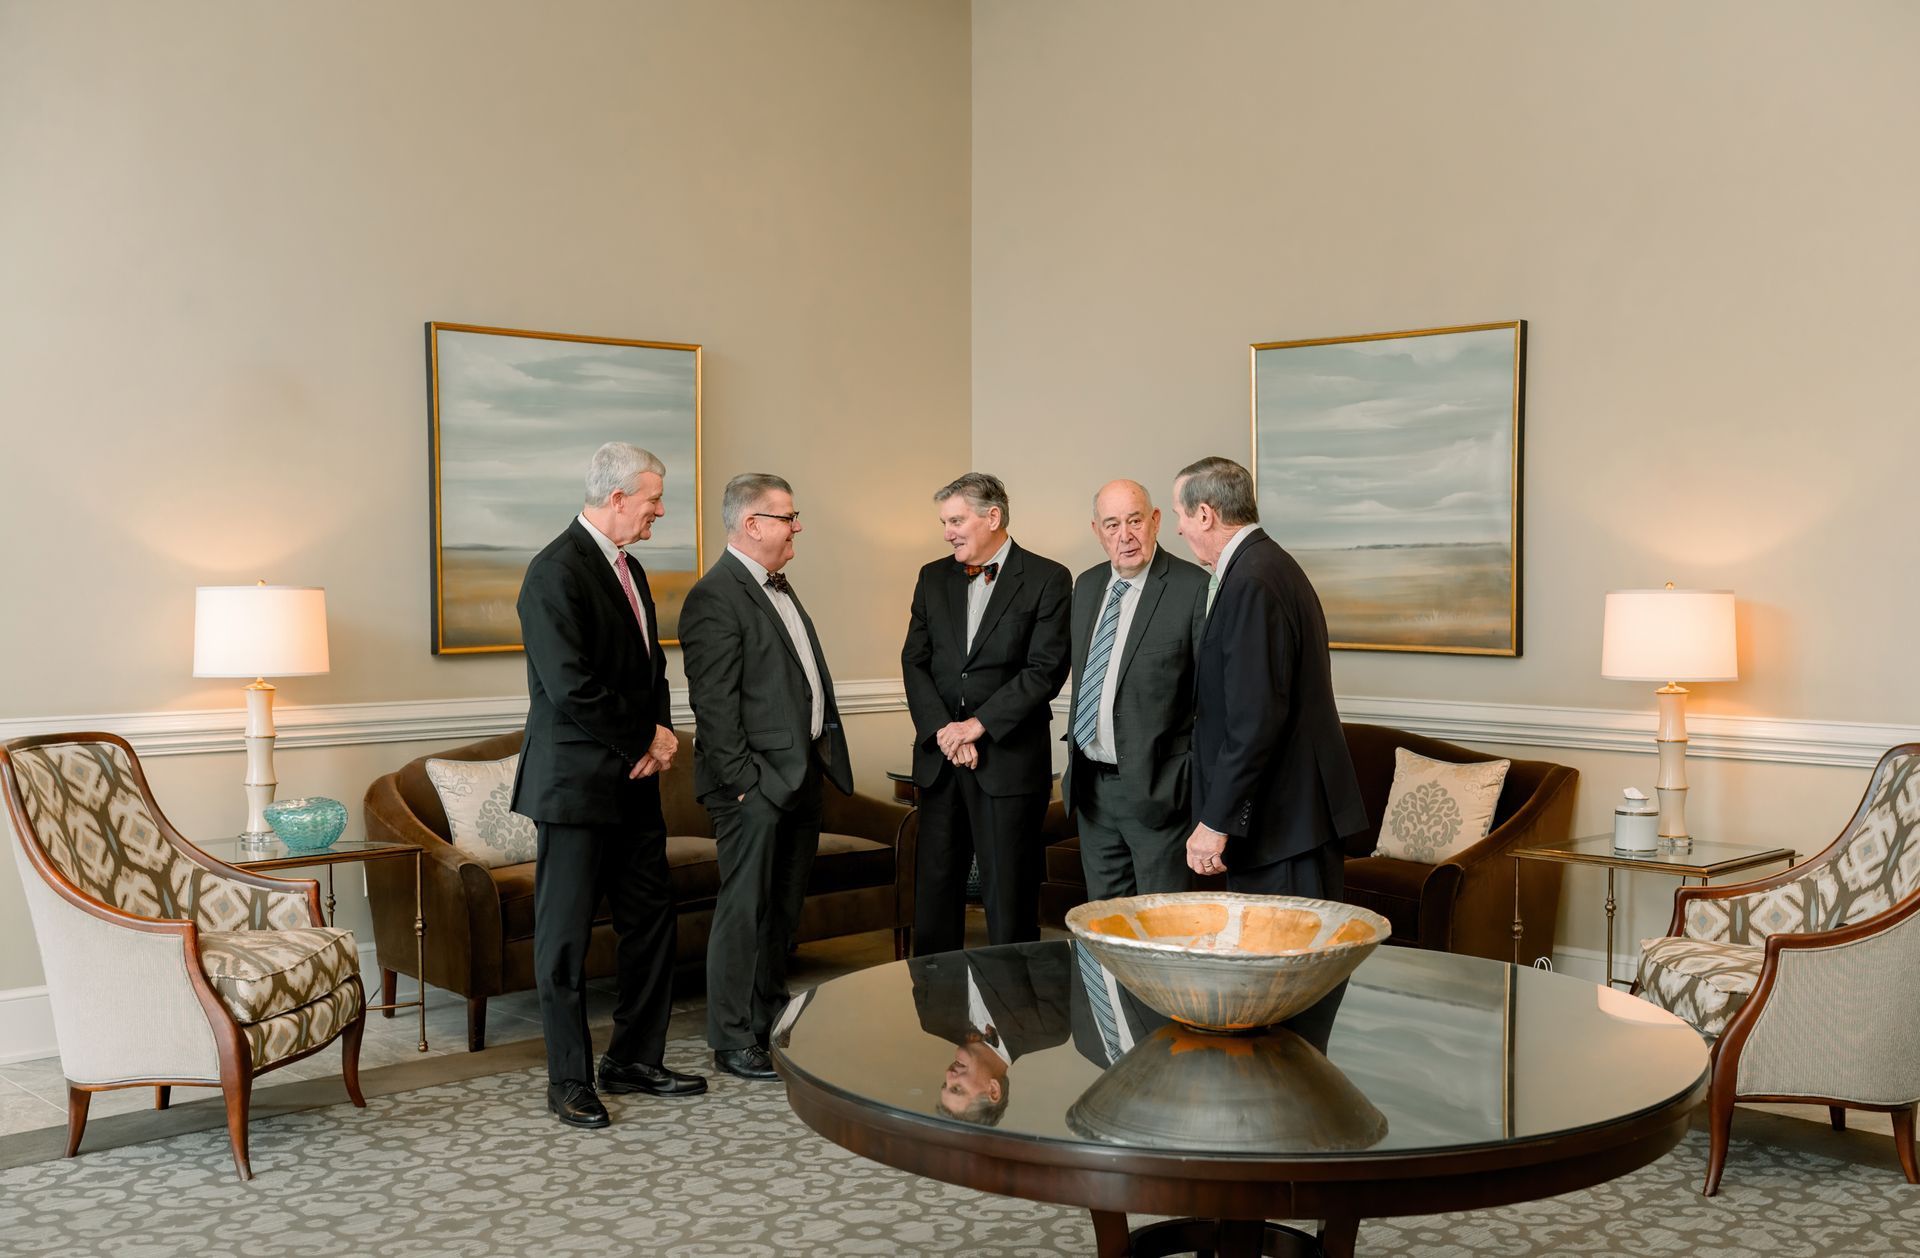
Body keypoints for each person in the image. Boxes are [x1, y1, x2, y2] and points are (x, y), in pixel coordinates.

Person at [511, 441, 706, 1130]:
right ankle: (569, 1079)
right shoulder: (552, 572)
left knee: (651, 924)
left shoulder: (632, 568)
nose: (660, 511)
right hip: (574, 788)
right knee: (562, 941)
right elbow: (570, 686)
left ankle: (634, 1059)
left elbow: (649, 667)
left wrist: (658, 732)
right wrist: (644, 737)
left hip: (635, 782)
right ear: (618, 497)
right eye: (654, 498)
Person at [680, 473, 853, 1083]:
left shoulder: (777, 585)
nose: (797, 525)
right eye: (787, 516)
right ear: (752, 525)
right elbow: (715, 706)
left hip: (800, 776)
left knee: (781, 910)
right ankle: (730, 1037)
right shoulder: (715, 595)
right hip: (752, 786)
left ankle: (765, 1018)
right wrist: (747, 783)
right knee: (745, 910)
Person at [1170, 456, 1367, 897]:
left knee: (1289, 962)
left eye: (1181, 516)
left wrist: (1216, 820)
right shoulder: (1266, 565)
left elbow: (1255, 718)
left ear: (1205, 514)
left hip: (1284, 826)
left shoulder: (1252, 581)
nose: (1180, 529)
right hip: (1288, 822)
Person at [902, 472, 1071, 955]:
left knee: (1010, 900)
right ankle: (939, 1020)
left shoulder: (1048, 578)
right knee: (933, 896)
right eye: (945, 522)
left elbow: (1044, 671)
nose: (947, 531)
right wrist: (945, 733)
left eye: (956, 520)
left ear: (992, 517)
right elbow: (914, 660)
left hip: (1009, 764)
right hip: (941, 762)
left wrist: (977, 727)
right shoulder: (932, 577)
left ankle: (1013, 1022)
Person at [1061, 480, 1209, 900]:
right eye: (1111, 525)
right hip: (1092, 790)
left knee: (1163, 933)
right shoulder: (1087, 586)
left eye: (1134, 521)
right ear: (1097, 531)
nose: (1124, 536)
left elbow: (1212, 703)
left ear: (1156, 521)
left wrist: (1185, 778)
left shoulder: (1192, 588)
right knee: (1104, 929)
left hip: (1159, 794)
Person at [909, 944, 1070, 1125]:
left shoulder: (933, 1021)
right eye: (957, 1088)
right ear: (993, 1090)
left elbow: (923, 946)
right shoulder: (1049, 1028)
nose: (948, 1074)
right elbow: (1045, 945)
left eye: (945, 1085)